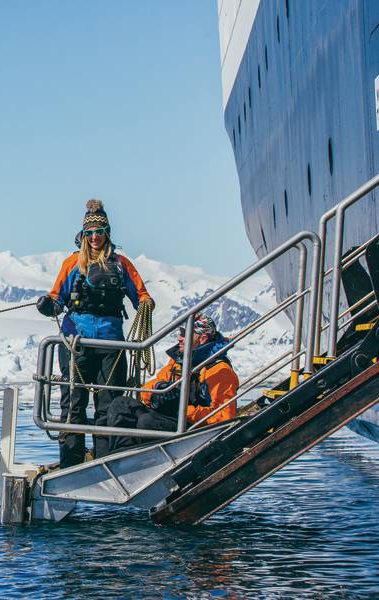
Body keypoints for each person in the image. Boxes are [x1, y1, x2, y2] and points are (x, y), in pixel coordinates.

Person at [35, 199, 154, 467]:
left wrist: (146, 305)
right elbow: (57, 299)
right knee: (73, 403)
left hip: (111, 343)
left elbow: (142, 297)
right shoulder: (71, 264)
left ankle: (105, 461)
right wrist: (47, 306)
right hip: (76, 343)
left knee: (109, 405)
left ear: (107, 233)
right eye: (90, 233)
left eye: (99, 232)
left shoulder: (122, 265)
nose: (95, 237)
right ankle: (71, 463)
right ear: (83, 236)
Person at [105, 312, 239, 454]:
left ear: (203, 338)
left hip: (193, 429)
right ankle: (120, 456)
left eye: (185, 334)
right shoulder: (178, 362)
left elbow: (224, 416)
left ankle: (142, 461)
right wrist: (158, 392)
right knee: (120, 404)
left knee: (147, 422)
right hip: (170, 417)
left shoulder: (220, 371)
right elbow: (148, 388)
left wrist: (183, 410)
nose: (180, 338)